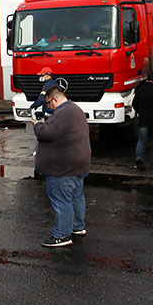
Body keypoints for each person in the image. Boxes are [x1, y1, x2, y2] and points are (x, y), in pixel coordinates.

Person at [32, 81, 90, 248]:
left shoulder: (63, 113)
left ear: (55, 99)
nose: (49, 107)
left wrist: (38, 125)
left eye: (49, 103)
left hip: (62, 167)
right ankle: (78, 227)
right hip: (78, 163)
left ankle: (62, 235)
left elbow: (47, 133)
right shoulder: (75, 109)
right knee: (76, 196)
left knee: (61, 200)